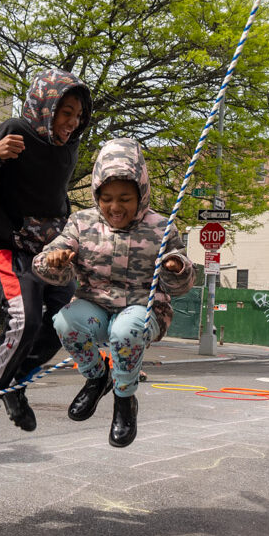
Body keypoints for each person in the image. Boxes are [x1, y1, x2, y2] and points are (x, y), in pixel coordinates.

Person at [0, 68, 92, 457]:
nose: (72, 122)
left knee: (65, 324)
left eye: (78, 115)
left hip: (48, 254)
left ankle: (14, 383)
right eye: (65, 112)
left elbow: (57, 200)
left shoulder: (68, 148)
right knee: (25, 318)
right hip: (6, 246)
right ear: (45, 106)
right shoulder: (14, 129)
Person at [33, 139, 193, 447]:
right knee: (64, 322)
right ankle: (97, 377)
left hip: (143, 308)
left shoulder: (162, 227)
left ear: (141, 194)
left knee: (125, 331)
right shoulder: (81, 223)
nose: (115, 207)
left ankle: (124, 399)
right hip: (95, 304)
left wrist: (177, 267)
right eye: (106, 198)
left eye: (125, 198)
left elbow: (184, 281)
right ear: (96, 194)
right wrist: (54, 259)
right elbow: (50, 259)